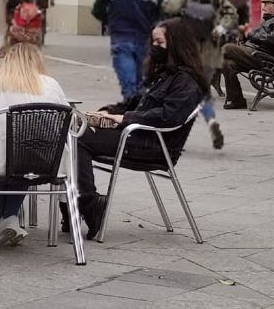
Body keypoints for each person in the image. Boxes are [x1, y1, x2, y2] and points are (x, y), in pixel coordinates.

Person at [75, 19, 206, 237]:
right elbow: (131, 103)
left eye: (160, 42)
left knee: (78, 140)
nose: (154, 47)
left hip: (154, 145)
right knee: (72, 131)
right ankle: (73, 206)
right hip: (136, 135)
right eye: (153, 41)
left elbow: (168, 117)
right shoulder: (162, 73)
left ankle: (88, 205)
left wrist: (123, 118)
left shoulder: (187, 81)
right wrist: (106, 112)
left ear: (176, 45)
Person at [0, 42, 69, 247]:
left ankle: (3, 221)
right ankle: (7, 219)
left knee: (2, 158)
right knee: (25, 157)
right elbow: (68, 122)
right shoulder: (51, 84)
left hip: (0, 162)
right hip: (46, 163)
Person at [162, 0, 238, 149]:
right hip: (211, 52)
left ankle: (176, 134)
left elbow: (170, 8)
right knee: (203, 91)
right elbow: (231, 12)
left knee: (181, 92)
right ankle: (211, 121)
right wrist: (221, 27)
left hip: (188, 50)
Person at [91, 0, 163, 103]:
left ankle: (132, 115)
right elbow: (159, 13)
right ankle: (141, 116)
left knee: (129, 88)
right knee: (140, 83)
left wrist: (110, 21)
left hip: (121, 36)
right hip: (143, 38)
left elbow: (98, 8)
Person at [220, 0, 274, 110]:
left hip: (265, 60)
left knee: (226, 48)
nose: (263, 7)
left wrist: (250, 33)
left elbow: (272, 40)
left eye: (266, 5)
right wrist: (244, 36)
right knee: (227, 64)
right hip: (255, 54)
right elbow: (257, 37)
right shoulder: (270, 20)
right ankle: (236, 100)